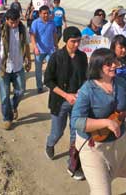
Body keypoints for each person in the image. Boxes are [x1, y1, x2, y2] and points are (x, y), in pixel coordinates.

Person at [71, 48, 126, 195]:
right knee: (102, 192)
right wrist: (106, 123)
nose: (114, 66)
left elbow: (125, 108)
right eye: (108, 64)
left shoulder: (122, 83)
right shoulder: (87, 90)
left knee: (107, 180)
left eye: (114, 62)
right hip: (93, 147)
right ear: (98, 67)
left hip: (118, 144)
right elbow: (76, 121)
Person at [44, 26, 87, 181]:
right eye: (73, 41)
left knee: (75, 133)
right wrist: (66, 95)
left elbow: (85, 78)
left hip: (78, 102)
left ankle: (73, 164)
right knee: (58, 131)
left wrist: (80, 93)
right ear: (66, 40)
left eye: (78, 41)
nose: (76, 44)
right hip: (60, 102)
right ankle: (50, 143)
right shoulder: (56, 57)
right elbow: (48, 80)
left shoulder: (82, 57)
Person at [0, 8, 31, 130]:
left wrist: (28, 59)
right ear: (6, 20)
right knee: (4, 96)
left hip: (18, 66)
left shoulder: (23, 30)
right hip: (3, 67)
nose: (14, 25)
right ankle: (7, 118)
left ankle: (13, 106)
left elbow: (27, 45)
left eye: (16, 22)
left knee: (21, 90)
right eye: (11, 22)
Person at [30, 5, 57, 93]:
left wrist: (56, 45)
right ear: (40, 14)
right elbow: (32, 36)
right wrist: (35, 47)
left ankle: (50, 84)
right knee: (38, 69)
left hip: (50, 50)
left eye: (47, 13)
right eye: (44, 13)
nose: (46, 15)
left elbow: (54, 34)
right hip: (39, 51)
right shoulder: (35, 23)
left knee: (51, 68)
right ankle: (39, 86)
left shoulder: (52, 23)